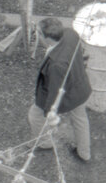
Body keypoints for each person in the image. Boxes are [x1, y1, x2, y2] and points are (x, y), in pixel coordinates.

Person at [29, 16, 92, 162]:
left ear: (47, 38)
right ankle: (84, 153)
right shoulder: (70, 34)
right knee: (80, 120)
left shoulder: (56, 65)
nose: (37, 35)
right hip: (81, 88)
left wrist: (48, 112)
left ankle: (45, 143)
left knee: (35, 115)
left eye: (38, 33)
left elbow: (54, 91)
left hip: (68, 95)